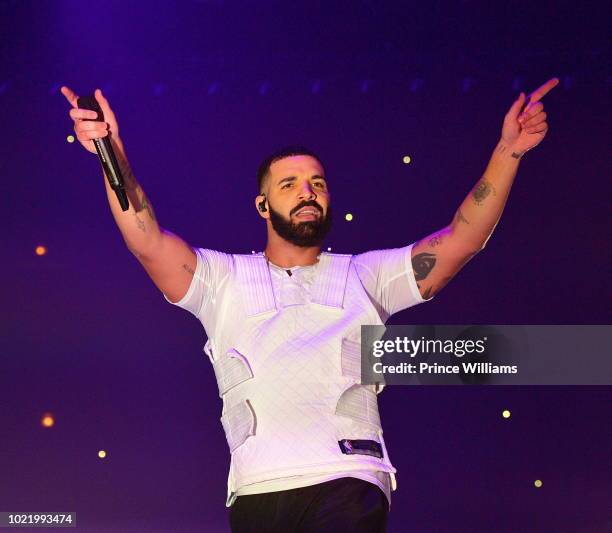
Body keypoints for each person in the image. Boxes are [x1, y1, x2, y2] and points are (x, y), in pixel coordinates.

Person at [61, 78, 558, 532]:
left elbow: (462, 239)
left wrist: (508, 152)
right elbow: (145, 235)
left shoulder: (366, 275)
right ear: (262, 206)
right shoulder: (222, 279)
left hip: (348, 478)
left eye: (317, 184)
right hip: (256, 490)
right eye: (290, 185)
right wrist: (109, 149)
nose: (308, 193)